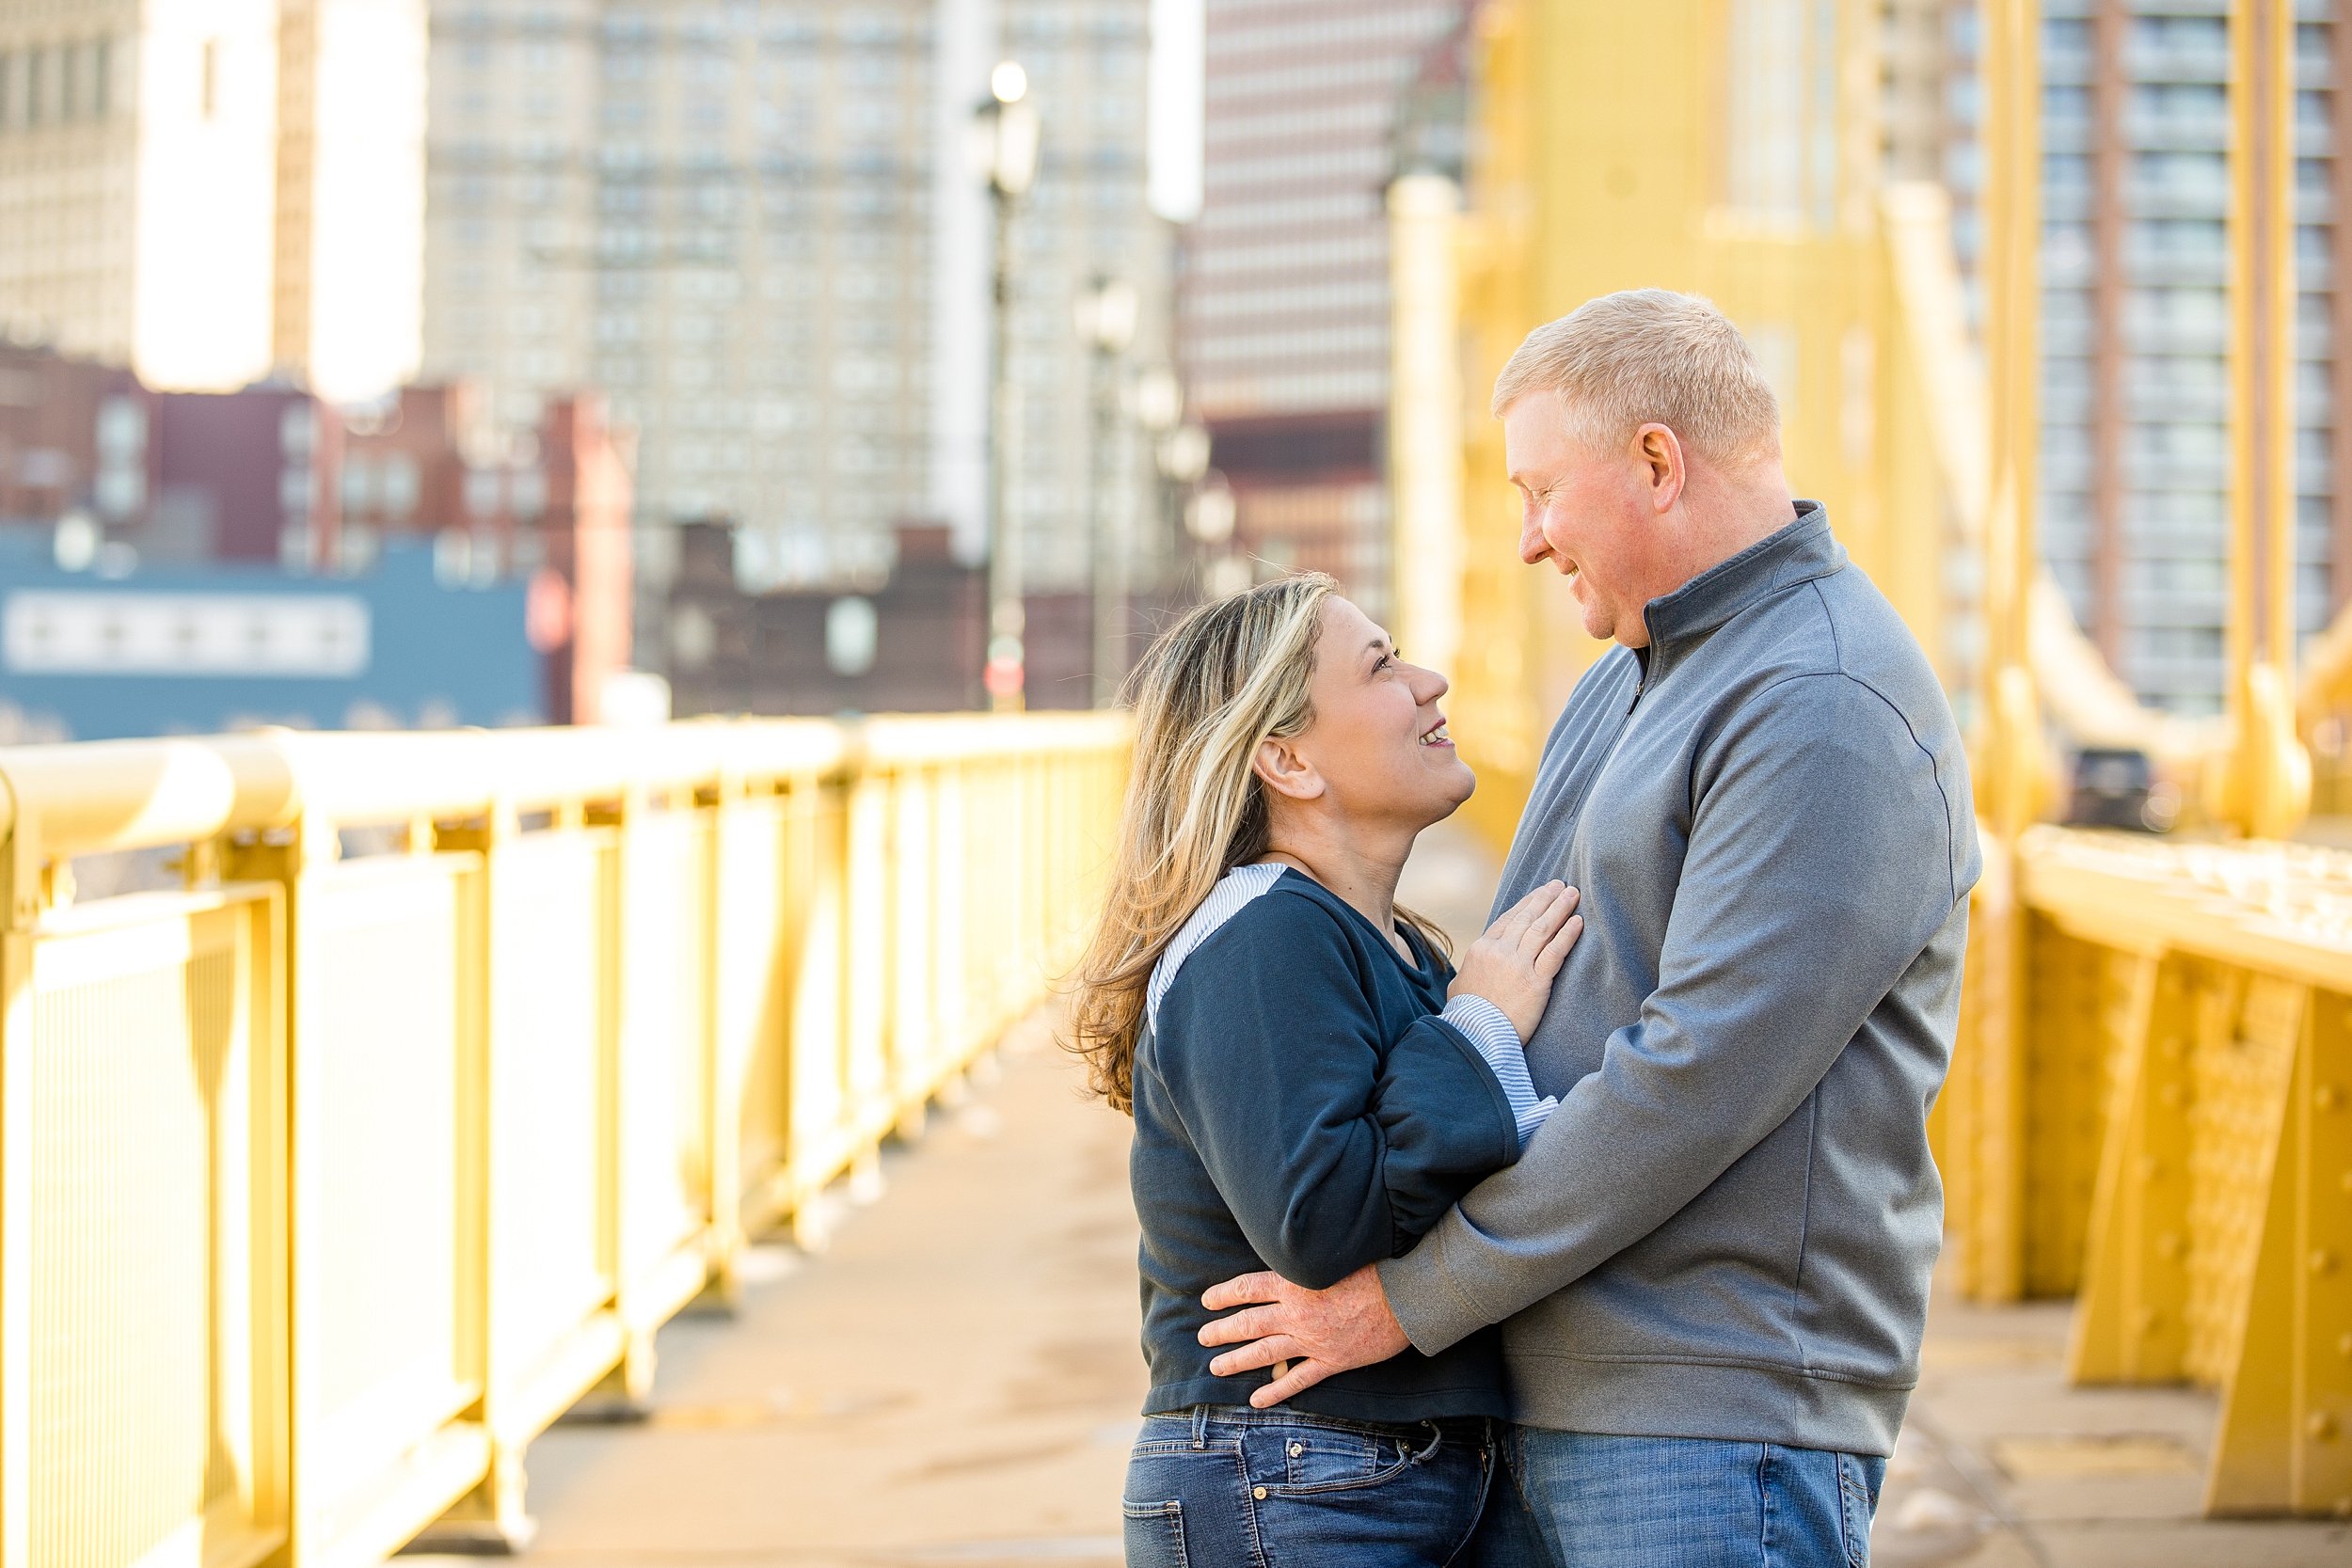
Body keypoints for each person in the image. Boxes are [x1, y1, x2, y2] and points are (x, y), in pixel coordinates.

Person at [1192, 290, 1983, 1568]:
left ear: (1658, 462)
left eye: (1541, 491)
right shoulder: (1622, 682)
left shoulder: (1822, 698)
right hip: (1563, 1398)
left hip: (1714, 1419)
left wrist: (1410, 1296)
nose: (1526, 541)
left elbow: (1696, 1074)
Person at [1068, 573, 1585, 1567]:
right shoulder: (1261, 934)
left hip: (1370, 1469)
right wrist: (1476, 1026)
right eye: (1383, 665)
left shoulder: (1389, 948)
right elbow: (1322, 1216)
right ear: (1286, 757)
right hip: (1292, 1473)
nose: (1431, 682)